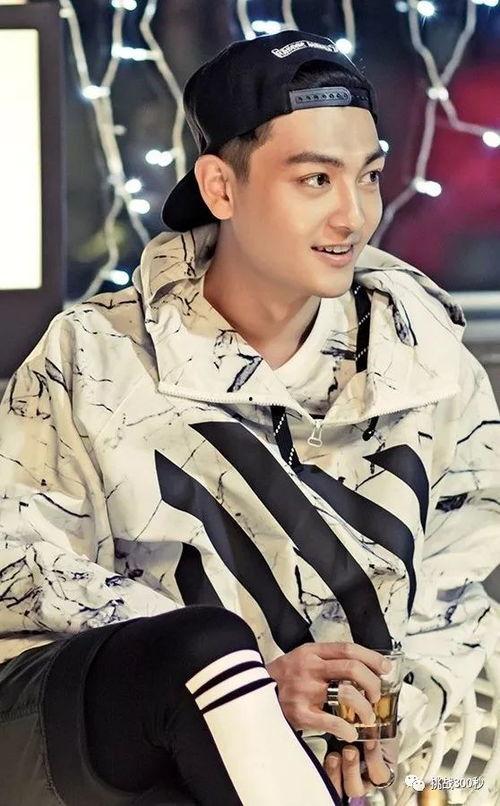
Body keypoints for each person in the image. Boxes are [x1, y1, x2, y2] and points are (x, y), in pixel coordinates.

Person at [0, 27, 499, 806]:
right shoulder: (96, 354)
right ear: (220, 189)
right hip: (140, 753)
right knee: (206, 650)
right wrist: (255, 683)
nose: (353, 216)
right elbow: (20, 568)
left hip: (376, 761)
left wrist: (371, 712)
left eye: (368, 177)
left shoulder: (429, 360)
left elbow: (458, 587)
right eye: (314, 179)